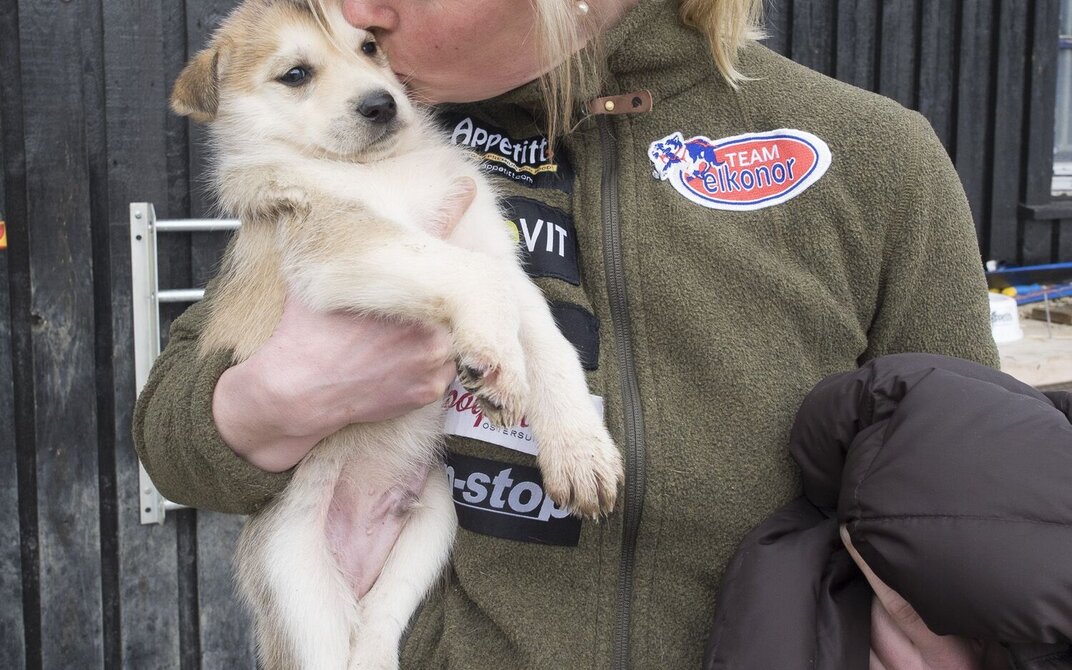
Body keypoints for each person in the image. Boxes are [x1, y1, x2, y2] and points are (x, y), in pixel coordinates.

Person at [133, 0, 1002, 667]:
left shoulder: (871, 155)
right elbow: (169, 433)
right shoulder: (368, 149)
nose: (356, 12)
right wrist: (266, 403)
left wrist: (955, 629)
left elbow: (972, 491)